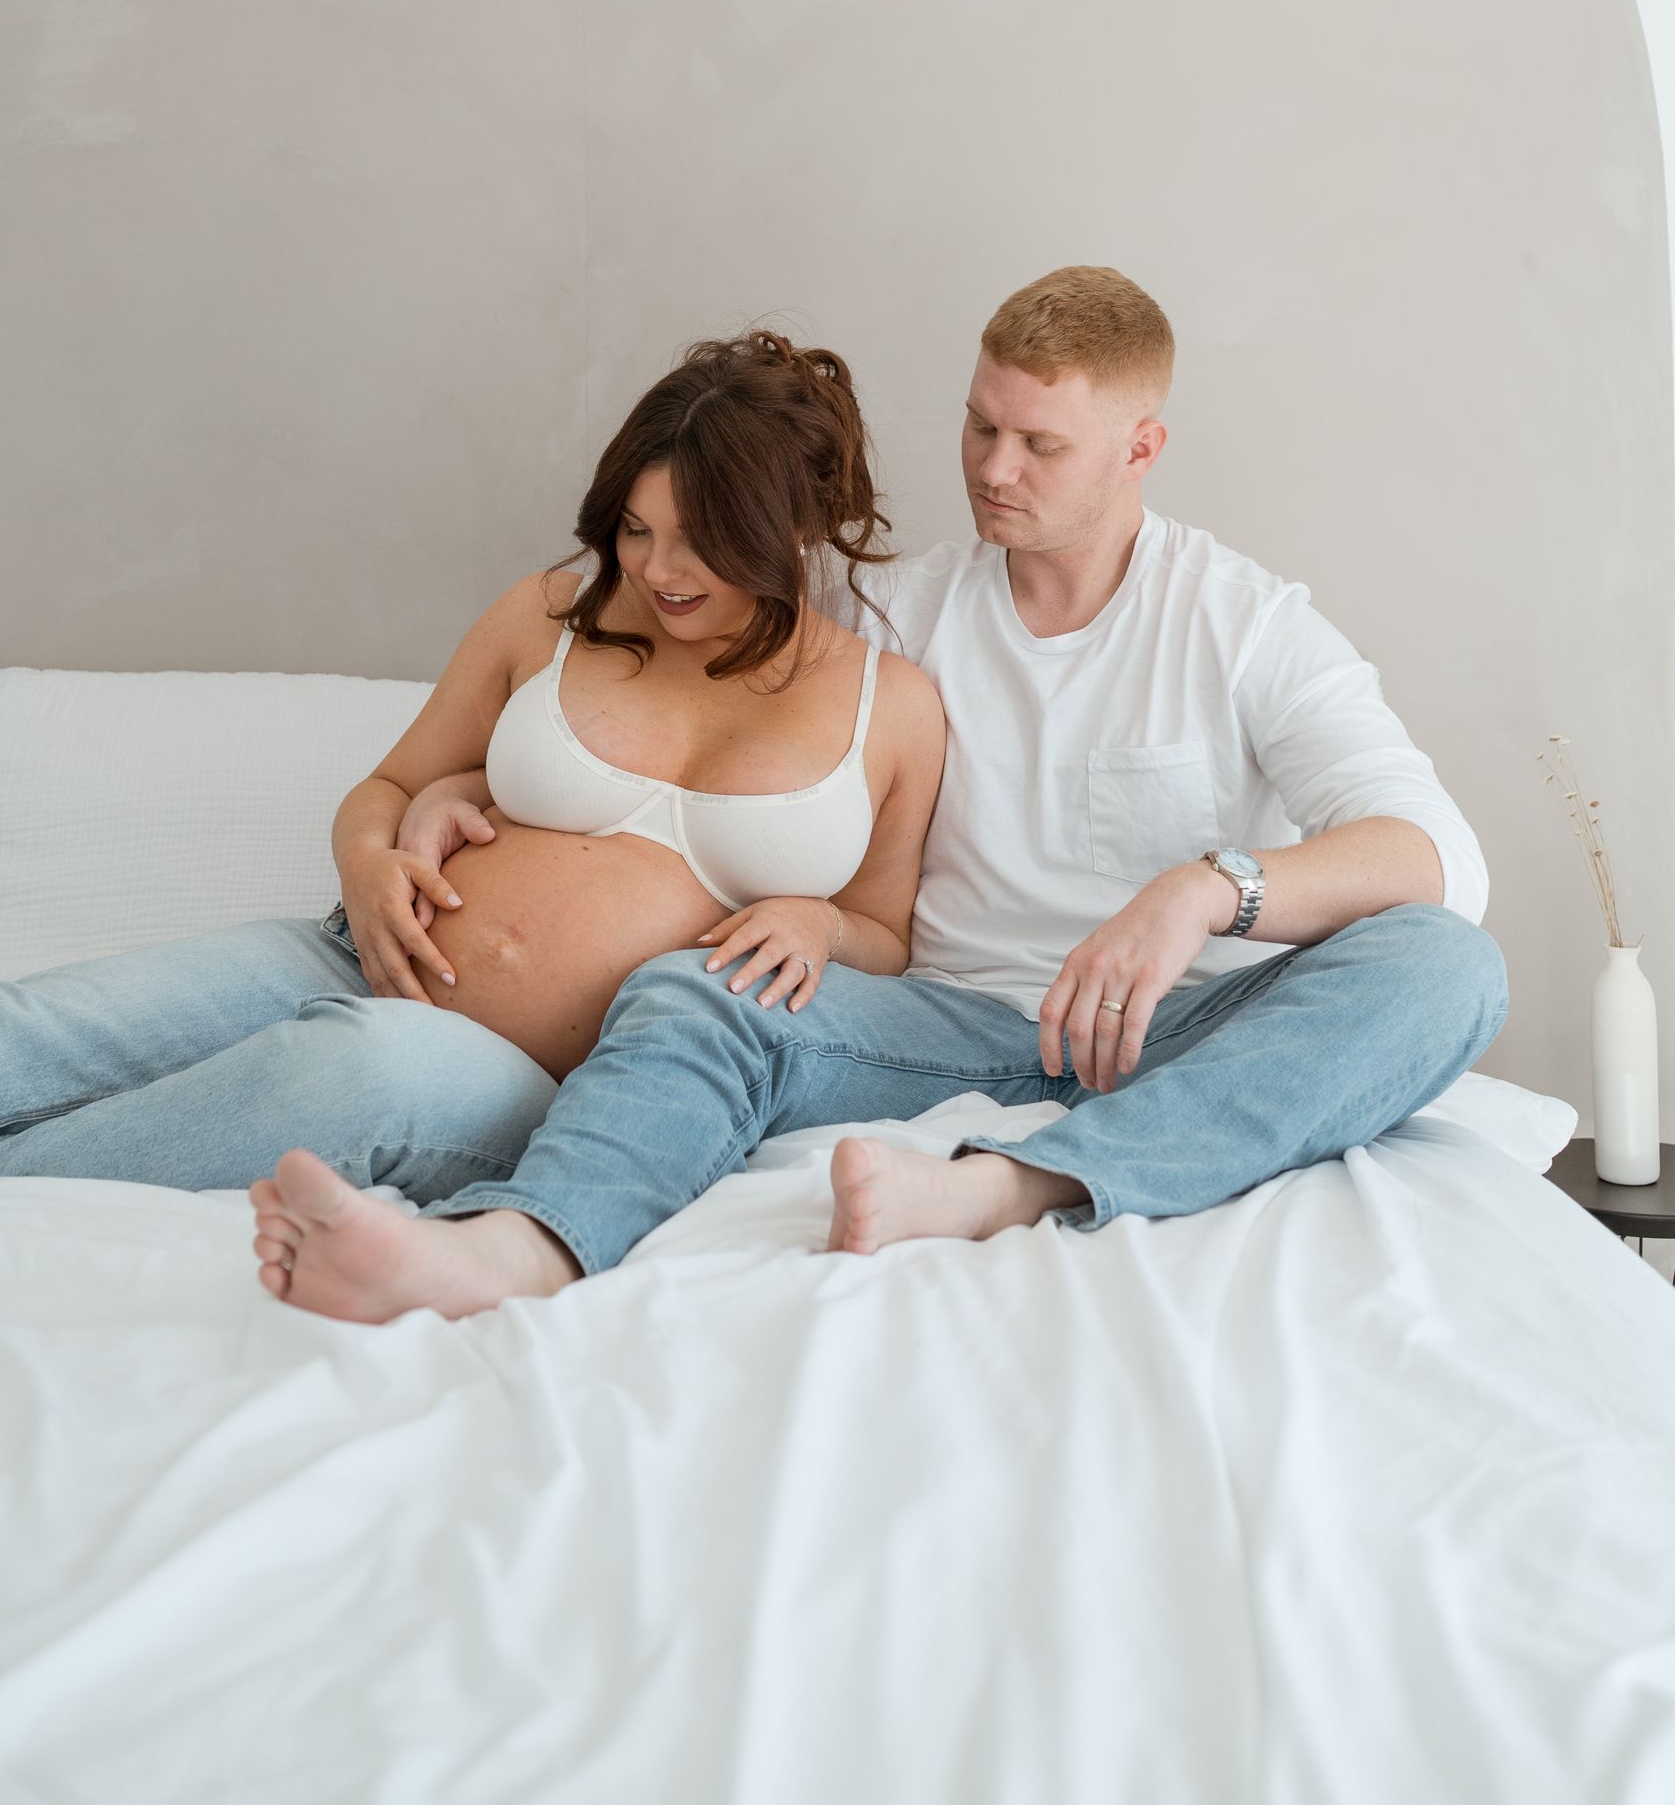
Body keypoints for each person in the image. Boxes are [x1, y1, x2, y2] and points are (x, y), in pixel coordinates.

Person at [248, 265, 1508, 1324]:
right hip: (928, 1026)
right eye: (979, 426)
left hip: (1173, 1036)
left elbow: (1441, 854)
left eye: (1040, 444)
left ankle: (1013, 1186)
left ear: (1141, 448)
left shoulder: (1244, 625)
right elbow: (673, 716)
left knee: (1447, 966)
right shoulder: (883, 611)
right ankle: (514, 1251)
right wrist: (456, 783)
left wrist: (1205, 893)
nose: (994, 469)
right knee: (700, 987)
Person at [0, 333, 946, 1201]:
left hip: (540, 1081)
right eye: (636, 529)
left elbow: (885, 936)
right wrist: (371, 871)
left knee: (348, 1072)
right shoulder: (554, 614)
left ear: (795, 529)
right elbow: (385, 790)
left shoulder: (887, 709)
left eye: (702, 543)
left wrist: (816, 923)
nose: (659, 570)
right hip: (357, 952)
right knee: (22, 1026)